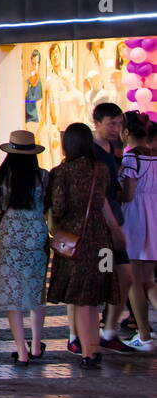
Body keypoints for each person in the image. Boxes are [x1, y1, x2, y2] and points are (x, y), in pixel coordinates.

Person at [47, 122, 125, 368]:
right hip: (101, 237)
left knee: (81, 299)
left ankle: (88, 353)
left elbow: (58, 207)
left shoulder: (62, 171)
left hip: (75, 239)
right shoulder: (101, 169)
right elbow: (103, 204)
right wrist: (116, 231)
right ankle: (93, 346)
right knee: (94, 297)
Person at [0, 130, 50, 364]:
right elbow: (45, 206)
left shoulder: (2, 175)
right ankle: (36, 345)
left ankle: (22, 353)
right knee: (36, 289)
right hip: (37, 232)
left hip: (11, 234)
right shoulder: (43, 176)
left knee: (13, 293)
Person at [90, 102, 133, 354]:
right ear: (96, 123)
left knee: (123, 276)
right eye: (111, 124)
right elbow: (98, 193)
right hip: (102, 224)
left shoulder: (113, 149)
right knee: (101, 278)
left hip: (115, 218)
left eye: (119, 124)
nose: (116, 129)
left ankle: (108, 331)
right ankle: (86, 335)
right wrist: (113, 225)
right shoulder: (93, 151)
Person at [119, 111, 157, 351]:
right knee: (149, 280)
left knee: (133, 280)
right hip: (153, 216)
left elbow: (129, 194)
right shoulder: (154, 156)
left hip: (134, 217)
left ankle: (143, 335)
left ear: (125, 132)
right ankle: (144, 335)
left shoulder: (131, 159)